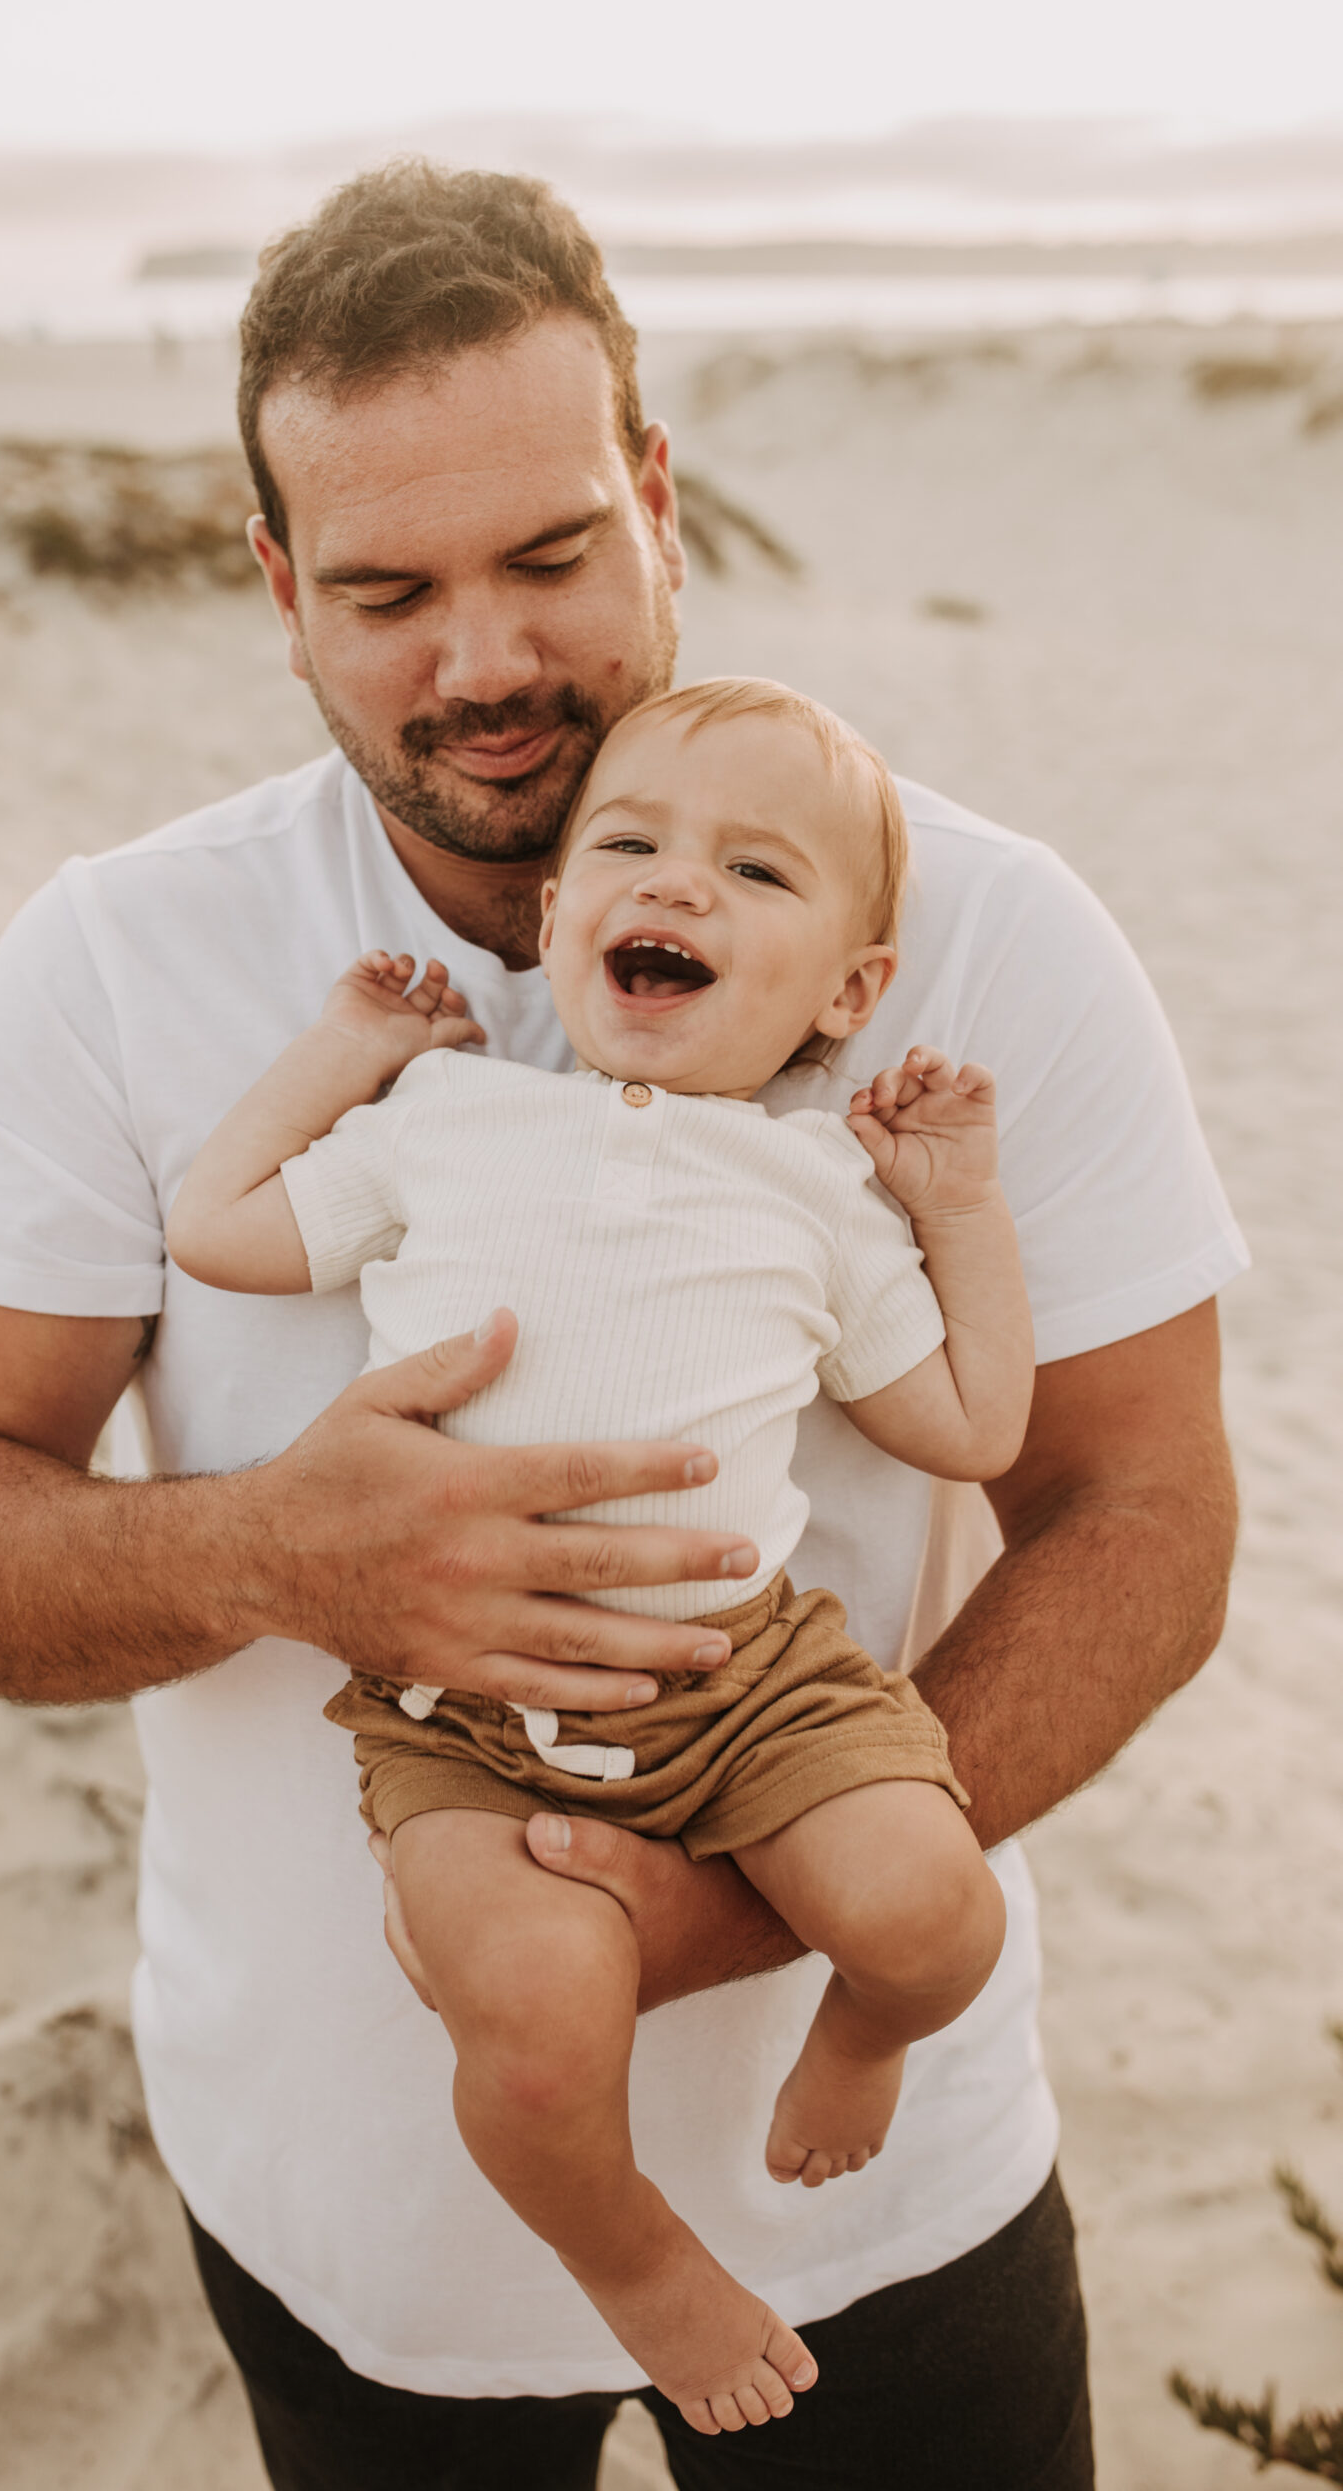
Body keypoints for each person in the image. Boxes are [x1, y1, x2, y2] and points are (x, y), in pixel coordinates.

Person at [0, 159, 1245, 2491]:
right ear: (279, 590)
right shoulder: (116, 960)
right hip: (339, 2209)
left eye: (546, 557)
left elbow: (1146, 1503)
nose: (480, 660)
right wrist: (274, 1554)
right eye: (385, 589)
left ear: (658, 500)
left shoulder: (985, 936)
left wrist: (760, 1888)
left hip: (892, 2211)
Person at [164, 674, 1031, 2435]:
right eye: (630, 846)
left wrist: (957, 1207)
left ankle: (862, 2029)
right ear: (556, 918)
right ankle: (634, 2258)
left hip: (746, 1680)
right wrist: (348, 1055)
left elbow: (974, 1428)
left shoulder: (817, 1192)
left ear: (849, 994)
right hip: (461, 1707)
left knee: (940, 1918)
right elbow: (219, 1230)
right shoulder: (444, 1128)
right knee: (542, 2034)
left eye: (758, 874)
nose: (679, 886)